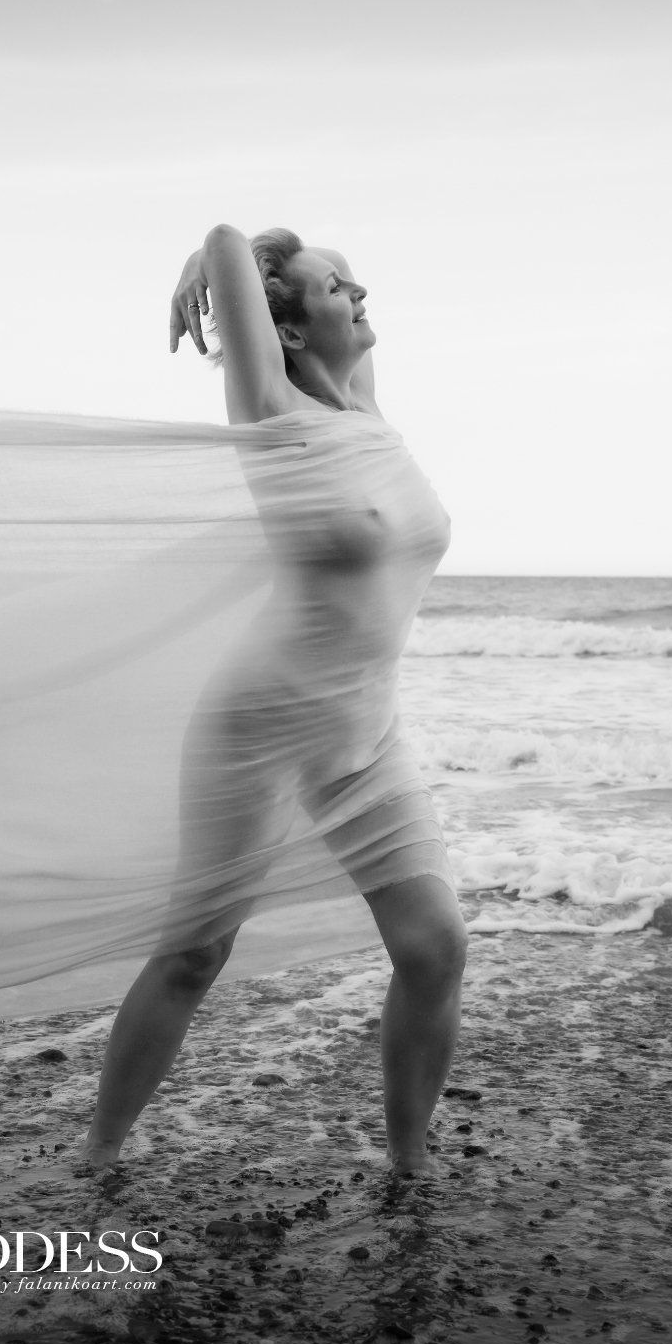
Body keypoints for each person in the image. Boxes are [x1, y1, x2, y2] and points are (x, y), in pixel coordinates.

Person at [81, 225, 468, 1175]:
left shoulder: (367, 410)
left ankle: (410, 1167)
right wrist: (214, 259)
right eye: (335, 287)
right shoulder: (271, 415)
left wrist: (252, 272)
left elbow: (319, 303)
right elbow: (224, 237)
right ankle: (99, 1154)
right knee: (194, 954)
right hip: (261, 726)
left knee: (434, 949)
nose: (359, 293)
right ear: (285, 331)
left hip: (366, 732)